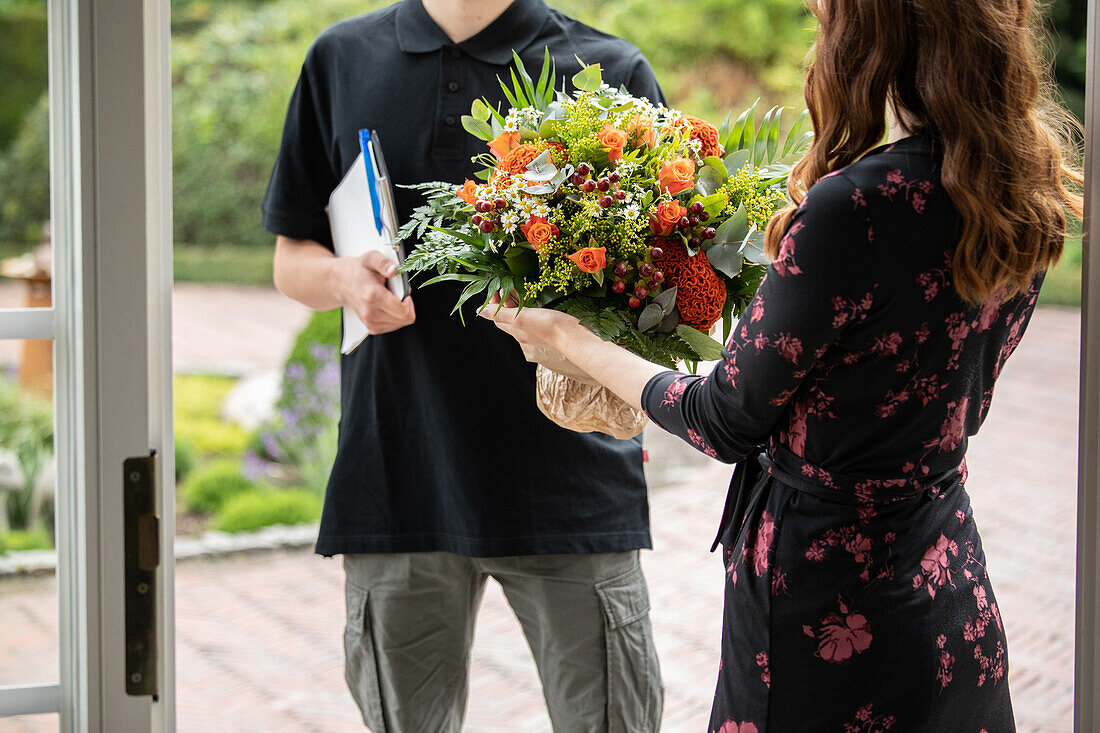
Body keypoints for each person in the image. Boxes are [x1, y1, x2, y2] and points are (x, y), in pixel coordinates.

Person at [481, 0, 1083, 729]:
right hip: (947, 582)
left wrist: (573, 341)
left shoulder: (853, 208)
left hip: (827, 607)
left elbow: (724, 418)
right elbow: (961, 401)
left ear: (869, 34)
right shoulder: (1024, 190)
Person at [262, 0, 666, 730]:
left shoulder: (609, 72)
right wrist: (344, 280)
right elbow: (292, 258)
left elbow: (664, 283)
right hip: (398, 470)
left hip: (573, 475)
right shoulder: (340, 58)